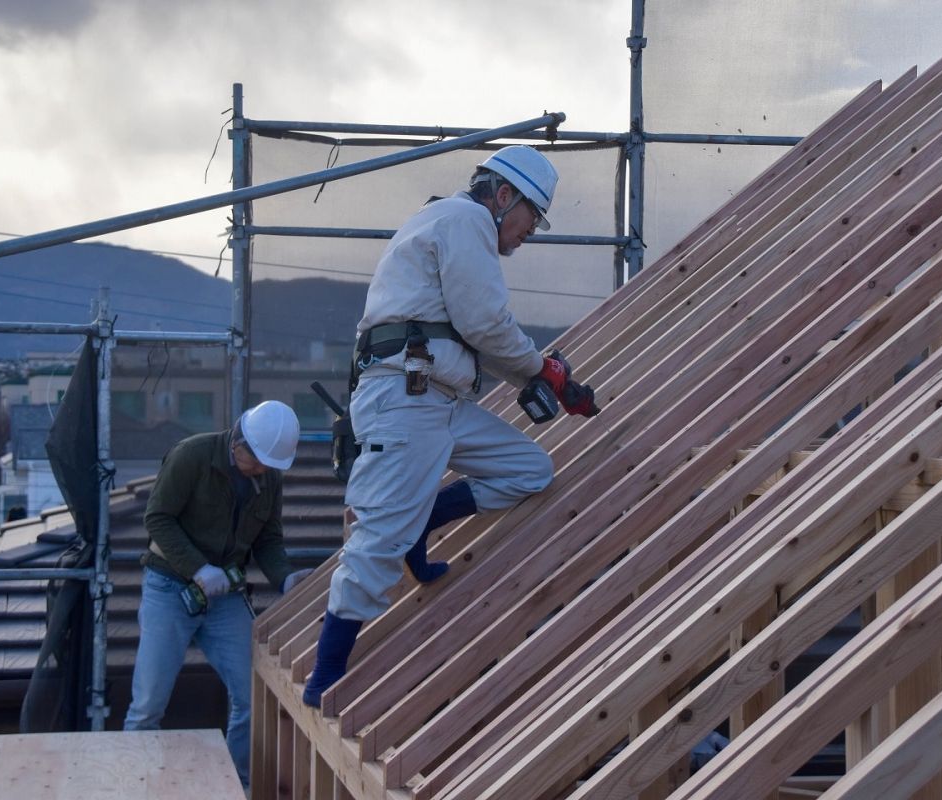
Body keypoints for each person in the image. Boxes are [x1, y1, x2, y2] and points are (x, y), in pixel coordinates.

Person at [302, 145, 599, 709]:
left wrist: (540, 375)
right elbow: (484, 321)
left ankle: (422, 523)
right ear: (503, 195)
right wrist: (544, 371)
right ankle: (324, 679)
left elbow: (470, 326)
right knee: (376, 544)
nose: (527, 233)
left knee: (529, 468)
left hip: (438, 400)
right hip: (408, 400)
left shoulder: (445, 220)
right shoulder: (465, 220)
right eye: (530, 218)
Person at [124, 400, 313, 786]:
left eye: (268, 465)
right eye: (256, 461)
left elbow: (269, 539)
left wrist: (285, 579)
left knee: (251, 696)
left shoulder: (269, 476)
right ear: (237, 442)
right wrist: (197, 568)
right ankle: (134, 786)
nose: (260, 470)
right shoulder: (192, 456)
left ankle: (238, 784)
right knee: (148, 704)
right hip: (169, 586)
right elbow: (157, 518)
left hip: (224, 595)